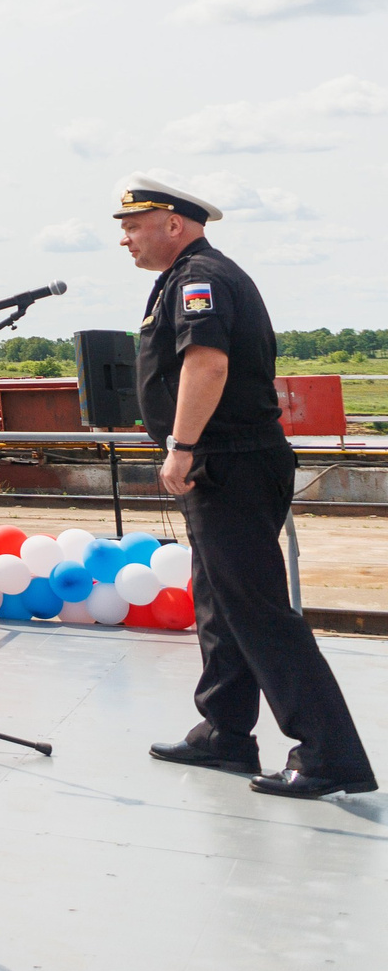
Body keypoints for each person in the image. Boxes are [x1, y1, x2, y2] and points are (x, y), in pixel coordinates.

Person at [117, 178, 374, 798]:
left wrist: (181, 447)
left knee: (257, 610)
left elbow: (208, 363)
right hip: (226, 461)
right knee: (219, 601)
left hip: (227, 460)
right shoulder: (187, 277)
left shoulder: (201, 279)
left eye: (133, 225)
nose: (125, 239)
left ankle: (328, 754)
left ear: (173, 224)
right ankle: (226, 732)